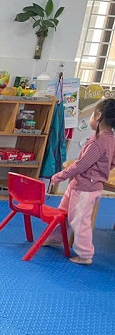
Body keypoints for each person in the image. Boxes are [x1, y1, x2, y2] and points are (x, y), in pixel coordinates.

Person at [46, 98, 115, 264]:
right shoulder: (110, 138)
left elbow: (80, 165)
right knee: (63, 212)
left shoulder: (98, 142)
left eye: (92, 114)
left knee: (79, 221)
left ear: (98, 116)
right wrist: (103, 170)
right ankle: (56, 238)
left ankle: (85, 254)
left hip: (86, 188)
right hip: (79, 185)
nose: (91, 118)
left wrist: (59, 176)